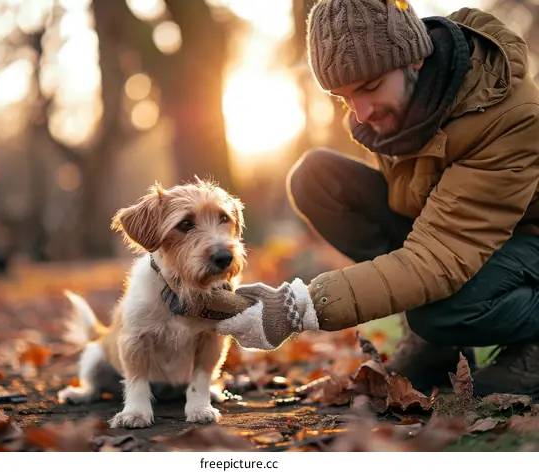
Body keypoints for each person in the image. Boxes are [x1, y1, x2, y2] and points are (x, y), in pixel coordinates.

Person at [213, 0, 539, 398]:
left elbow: (442, 255)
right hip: (462, 235)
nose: (360, 113)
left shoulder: (508, 117)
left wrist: (298, 307)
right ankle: (435, 345)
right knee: (317, 178)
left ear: (415, 60)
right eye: (343, 97)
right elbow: (427, 220)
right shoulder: (402, 107)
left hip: (526, 239)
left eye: (369, 87)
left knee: (440, 312)